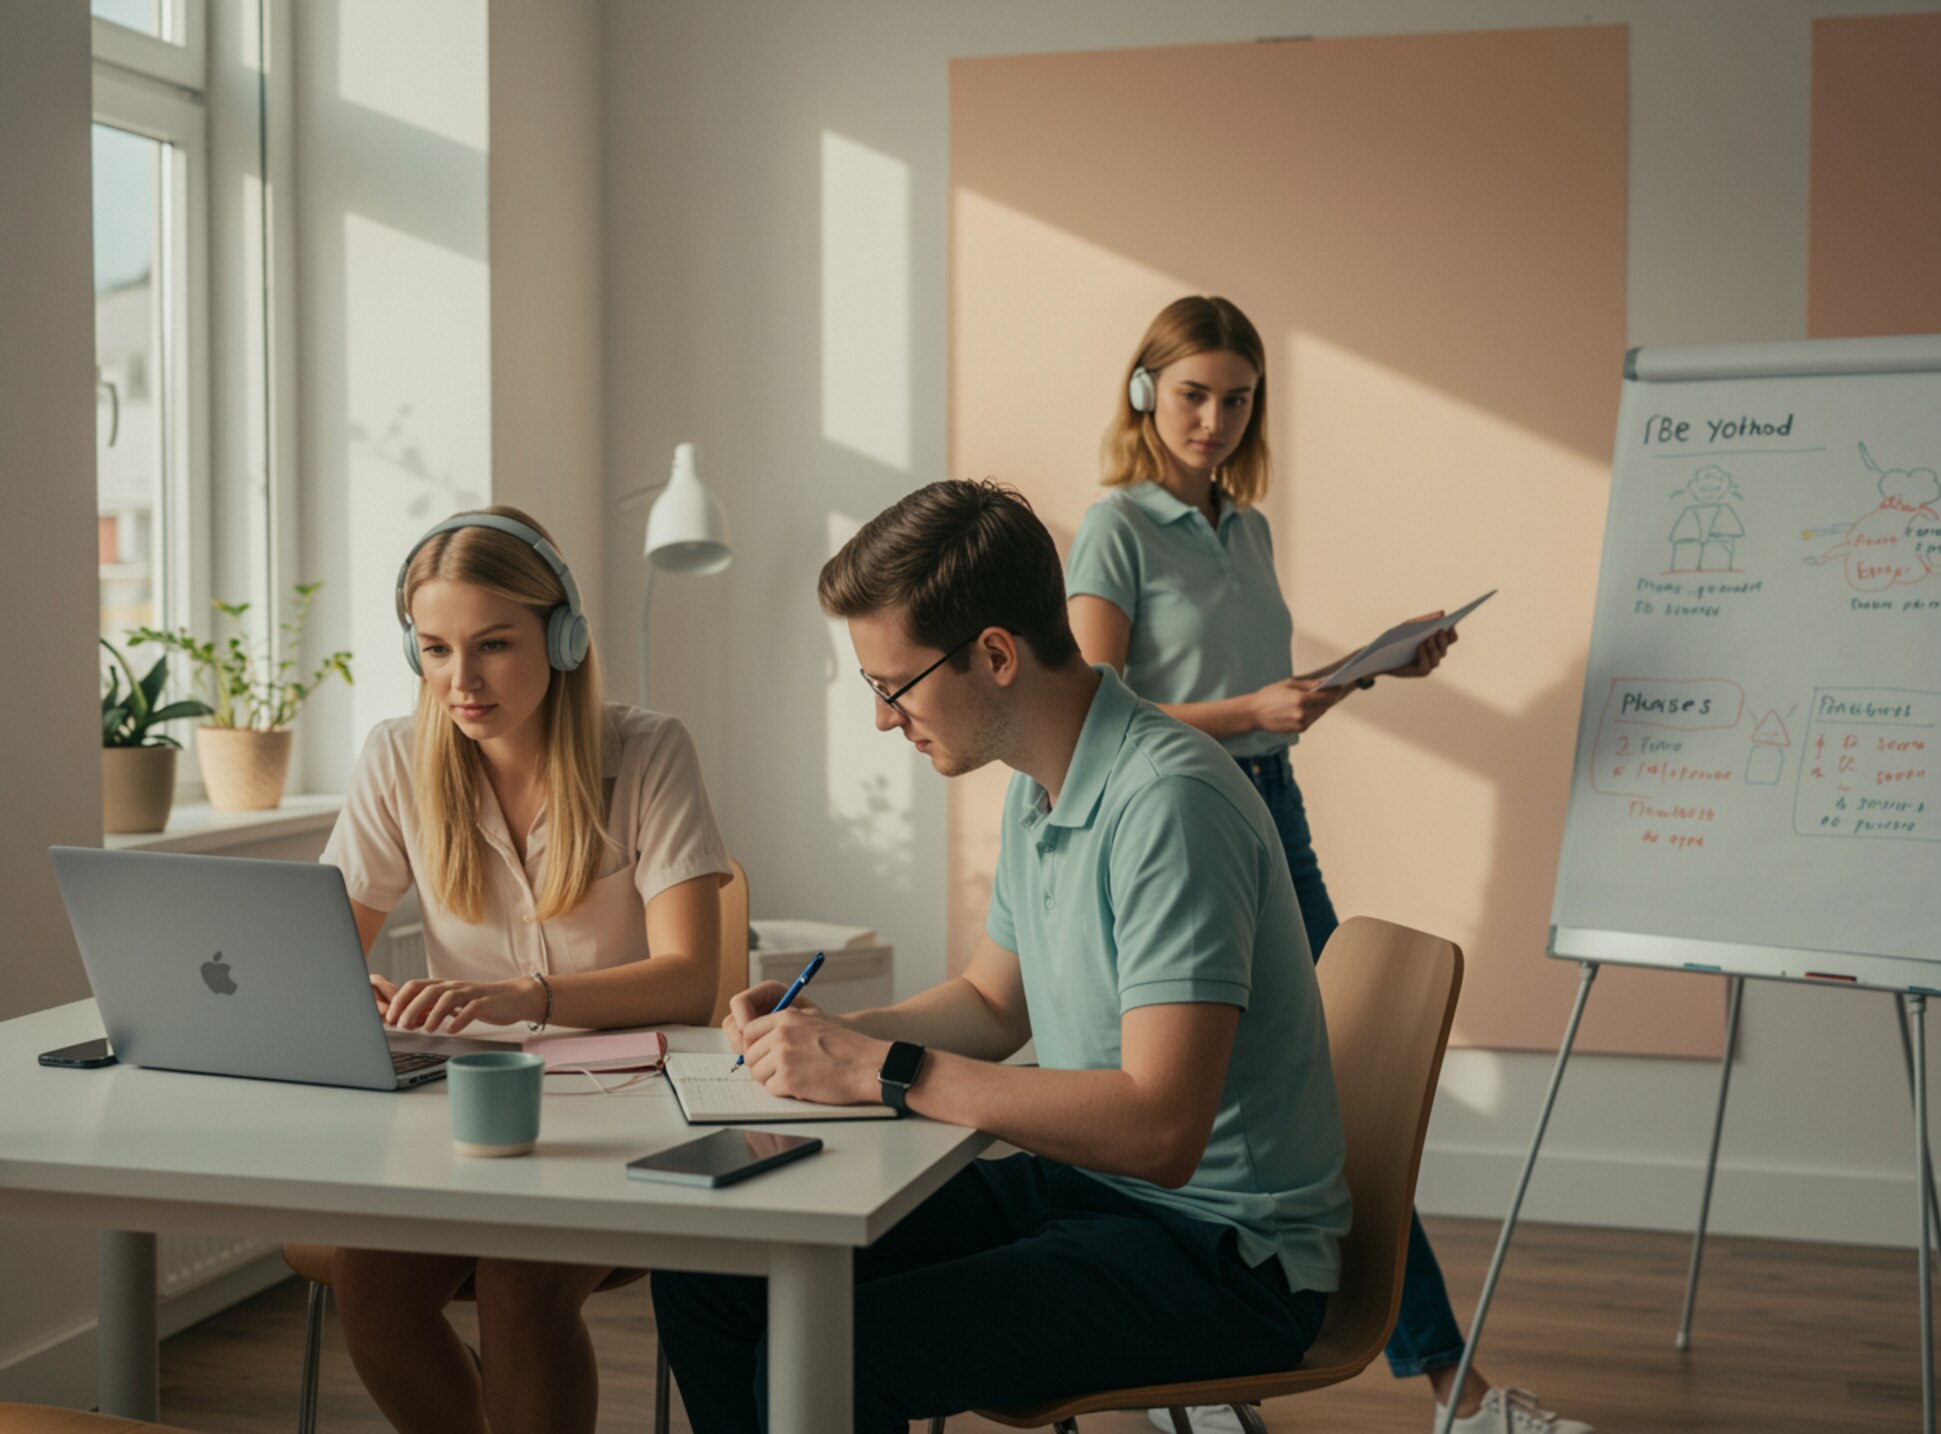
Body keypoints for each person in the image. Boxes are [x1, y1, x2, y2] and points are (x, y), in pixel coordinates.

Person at [651, 479, 1349, 1434]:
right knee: (711, 1273)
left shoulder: (1169, 804)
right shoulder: (1042, 784)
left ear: (994, 654)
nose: (885, 719)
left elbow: (1162, 1131)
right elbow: (991, 1001)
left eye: (893, 687)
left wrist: (888, 1069)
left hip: (1221, 1253)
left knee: (836, 1353)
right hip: (1091, 1192)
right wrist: (823, 1035)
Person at [1066, 296, 1590, 1434]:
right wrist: (1255, 706)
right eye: (1193, 393)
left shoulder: (1243, 528)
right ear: (1146, 392)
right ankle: (1261, 1381)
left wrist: (1360, 674)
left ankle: (1442, 1390)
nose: (1213, 418)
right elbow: (1099, 715)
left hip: (1268, 810)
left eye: (1236, 397)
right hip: (1173, 828)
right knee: (1225, 1108)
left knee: (1333, 1113)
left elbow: (1263, 706)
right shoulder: (1113, 530)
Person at [320, 506, 730, 1434]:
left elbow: (688, 981)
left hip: (626, 1110)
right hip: (460, 1111)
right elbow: (321, 956)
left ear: (565, 636)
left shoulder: (649, 751)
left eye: (494, 645)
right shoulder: (396, 757)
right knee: (372, 1291)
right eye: (433, 649)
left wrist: (526, 997)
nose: (459, 682)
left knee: (518, 1282)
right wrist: (362, 997)